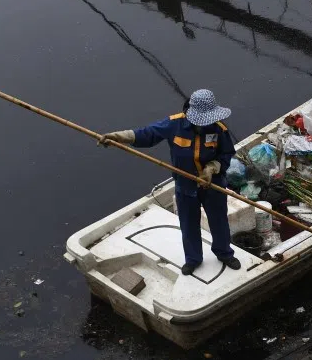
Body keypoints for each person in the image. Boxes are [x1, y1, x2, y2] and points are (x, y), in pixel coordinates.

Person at [99, 89, 241, 276]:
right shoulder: (174, 124)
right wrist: (118, 137)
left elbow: (227, 154)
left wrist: (212, 168)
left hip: (213, 185)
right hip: (185, 186)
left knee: (219, 221)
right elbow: (146, 135)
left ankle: (224, 253)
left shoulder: (219, 129)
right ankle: (193, 259)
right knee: (188, 224)